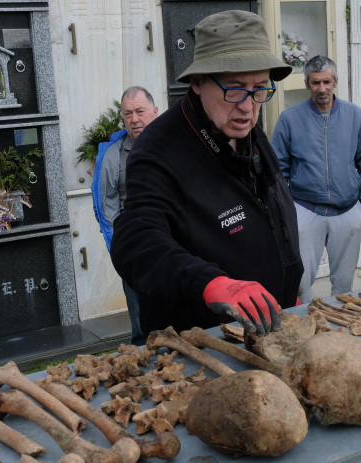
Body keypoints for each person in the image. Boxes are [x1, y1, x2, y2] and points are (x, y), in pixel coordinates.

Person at [110, 10, 303, 338]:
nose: (247, 106)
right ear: (197, 82)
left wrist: (288, 287)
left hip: (271, 325)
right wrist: (211, 283)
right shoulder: (158, 149)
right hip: (207, 345)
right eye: (235, 89)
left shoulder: (245, 129)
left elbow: (272, 212)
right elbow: (135, 240)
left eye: (259, 89)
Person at [271, 55, 361, 303]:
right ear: (307, 84)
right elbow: (277, 169)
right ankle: (304, 327)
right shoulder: (289, 119)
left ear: (335, 81)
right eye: (316, 82)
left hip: (348, 211)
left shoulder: (355, 116)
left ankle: (341, 331)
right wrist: (286, 210)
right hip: (305, 210)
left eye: (327, 82)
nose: (322, 89)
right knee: (300, 282)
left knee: (344, 285)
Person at [91, 86, 158, 345]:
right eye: (128, 113)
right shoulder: (112, 155)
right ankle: (143, 356)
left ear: (154, 111)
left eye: (140, 111)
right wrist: (123, 244)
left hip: (175, 237)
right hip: (136, 244)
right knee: (141, 314)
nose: (134, 119)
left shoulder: (173, 144)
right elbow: (106, 206)